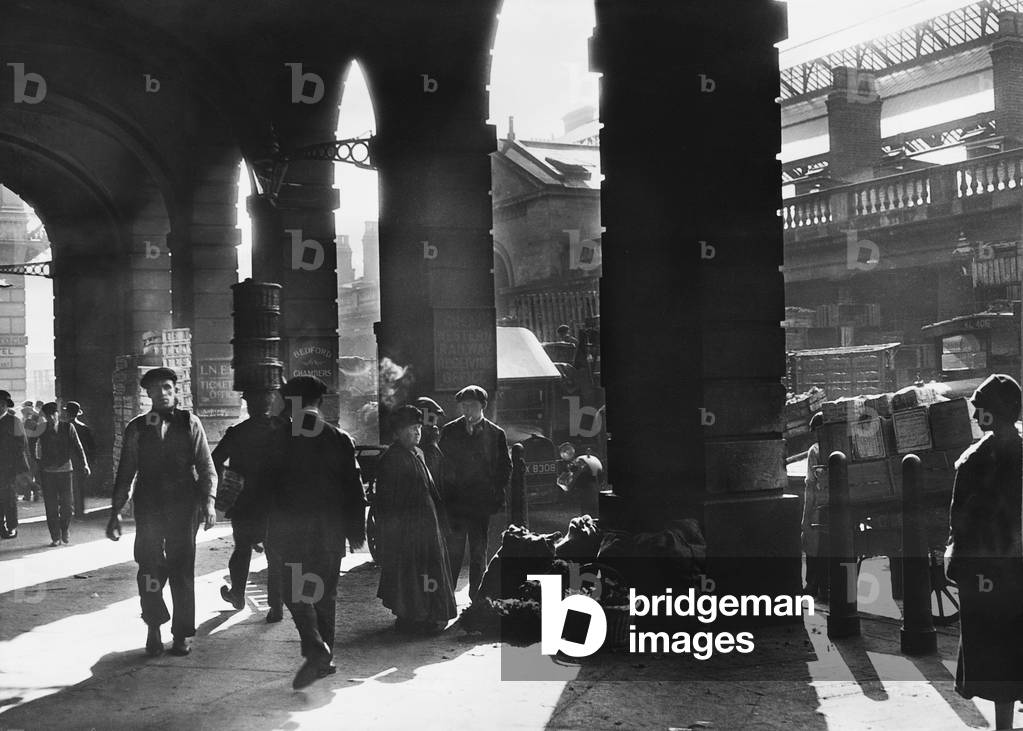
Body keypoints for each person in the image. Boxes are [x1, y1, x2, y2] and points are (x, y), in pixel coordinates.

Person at [106, 367, 218, 658]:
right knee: (149, 567)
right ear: (148, 394)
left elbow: (206, 467)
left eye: (168, 387)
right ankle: (153, 626)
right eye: (157, 389)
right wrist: (116, 511)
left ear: (175, 390)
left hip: (184, 504)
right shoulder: (137, 427)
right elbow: (126, 471)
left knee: (182, 568)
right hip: (150, 505)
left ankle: (181, 634)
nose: (164, 393)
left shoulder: (190, 422)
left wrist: (209, 502)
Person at [266, 376, 365, 690]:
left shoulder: (280, 437)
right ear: (318, 403)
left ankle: (314, 645)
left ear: (292, 403)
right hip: (329, 534)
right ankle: (326, 659)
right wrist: (355, 531)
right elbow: (354, 491)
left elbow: (264, 488)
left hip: (292, 533)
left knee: (295, 591)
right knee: (324, 594)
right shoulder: (339, 438)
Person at [947, 374, 1023, 730]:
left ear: (993, 414)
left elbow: (960, 522)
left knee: (999, 658)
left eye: (981, 411)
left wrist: (958, 569)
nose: (976, 418)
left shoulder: (974, 462)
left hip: (991, 575)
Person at [375, 405, 457, 633]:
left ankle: (426, 615)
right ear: (398, 432)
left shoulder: (416, 454)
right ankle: (414, 616)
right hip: (408, 529)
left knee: (425, 571)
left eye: (419, 428)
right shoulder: (392, 459)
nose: (417, 433)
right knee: (411, 573)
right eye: (412, 428)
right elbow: (387, 501)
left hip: (426, 526)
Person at [211, 390, 284, 623]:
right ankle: (276, 607)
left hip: (245, 501)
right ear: (270, 403)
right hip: (275, 501)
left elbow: (214, 460)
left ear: (247, 405)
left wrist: (229, 481)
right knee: (275, 555)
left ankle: (237, 595)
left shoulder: (237, 432)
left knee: (242, 549)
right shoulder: (282, 429)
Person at [439, 385, 511, 601]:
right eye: (464, 406)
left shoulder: (496, 433)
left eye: (472, 406)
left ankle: (476, 599)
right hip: (457, 505)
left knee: (479, 552)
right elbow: (442, 464)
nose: (467, 410)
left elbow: (505, 467)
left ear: (483, 407)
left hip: (481, 505)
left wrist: (493, 491)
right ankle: (447, 599)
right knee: (454, 552)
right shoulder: (450, 431)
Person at [36, 402, 89, 546]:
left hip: (65, 471)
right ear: (46, 417)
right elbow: (36, 451)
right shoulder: (42, 429)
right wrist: (37, 471)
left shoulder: (68, 427)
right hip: (48, 473)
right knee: (51, 506)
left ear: (58, 414)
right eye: (48, 416)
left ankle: (64, 529)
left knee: (67, 506)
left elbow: (78, 447)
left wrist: (85, 464)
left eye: (53, 414)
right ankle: (55, 536)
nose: (51, 418)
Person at [802, 412, 828, 599]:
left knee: (811, 538)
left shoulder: (815, 450)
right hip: (842, 506)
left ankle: (812, 584)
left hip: (821, 506)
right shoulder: (844, 445)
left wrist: (805, 517)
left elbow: (810, 485)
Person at [0, 390, 31, 539]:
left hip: (8, 468)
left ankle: (11, 526)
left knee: (9, 498)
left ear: (6, 406)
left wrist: (20, 470)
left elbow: (22, 446)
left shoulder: (15, 422)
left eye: (2, 404)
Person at [64, 401, 94, 518]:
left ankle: (67, 512)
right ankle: (79, 513)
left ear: (67, 413)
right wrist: (88, 463)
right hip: (79, 462)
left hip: (65, 462)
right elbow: (90, 448)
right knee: (79, 488)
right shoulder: (84, 428)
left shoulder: (62, 428)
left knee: (65, 488)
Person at [20, 401, 40, 501]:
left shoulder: (25, 424)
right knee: (31, 474)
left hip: (26, 452)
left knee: (26, 474)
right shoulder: (35, 423)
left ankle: (30, 493)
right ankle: (34, 494)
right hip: (33, 452)